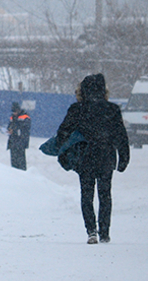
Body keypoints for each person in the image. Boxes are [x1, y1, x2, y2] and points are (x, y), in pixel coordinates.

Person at [53, 73, 130, 244]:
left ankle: (91, 231)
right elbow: (121, 136)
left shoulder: (77, 109)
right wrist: (124, 157)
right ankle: (105, 232)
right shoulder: (112, 109)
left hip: (85, 157)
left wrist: (62, 153)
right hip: (106, 157)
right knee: (105, 195)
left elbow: (63, 132)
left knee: (86, 195)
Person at [6, 102, 31, 170]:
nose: (14, 113)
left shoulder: (25, 117)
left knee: (20, 162)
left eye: (15, 111)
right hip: (13, 142)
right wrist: (9, 129)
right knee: (14, 161)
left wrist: (14, 131)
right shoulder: (12, 117)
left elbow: (24, 130)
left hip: (20, 142)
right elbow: (10, 125)